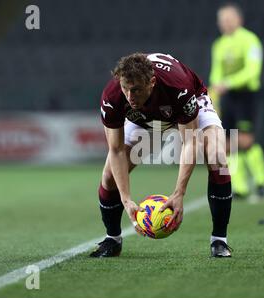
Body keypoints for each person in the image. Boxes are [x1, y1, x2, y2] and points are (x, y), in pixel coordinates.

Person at [90, 53, 233, 258]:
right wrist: (126, 199)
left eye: (136, 90)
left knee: (217, 157)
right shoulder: (112, 97)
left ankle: (219, 240)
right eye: (125, 89)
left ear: (152, 82)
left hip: (188, 105)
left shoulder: (178, 87)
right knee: (109, 176)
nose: (129, 96)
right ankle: (112, 239)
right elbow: (116, 150)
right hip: (144, 119)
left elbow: (190, 141)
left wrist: (179, 192)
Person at [209, 3, 264, 199]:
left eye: (228, 19)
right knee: (228, 143)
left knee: (245, 141)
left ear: (238, 20)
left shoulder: (250, 40)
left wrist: (228, 82)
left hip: (246, 96)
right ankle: (240, 185)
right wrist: (215, 92)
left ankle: (261, 181)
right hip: (228, 98)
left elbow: (252, 71)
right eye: (221, 20)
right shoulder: (219, 45)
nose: (224, 23)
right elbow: (216, 73)